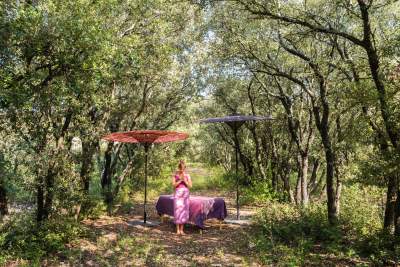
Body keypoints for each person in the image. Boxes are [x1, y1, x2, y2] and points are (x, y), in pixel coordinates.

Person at [172, 160, 192, 235]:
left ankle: (182, 229)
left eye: (183, 169)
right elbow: (173, 185)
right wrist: (180, 180)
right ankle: (177, 229)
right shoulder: (175, 175)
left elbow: (190, 186)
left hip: (185, 193)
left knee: (184, 210)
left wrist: (185, 180)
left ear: (185, 168)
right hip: (178, 193)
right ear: (179, 168)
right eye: (181, 168)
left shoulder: (187, 175)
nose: (182, 170)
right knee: (177, 210)